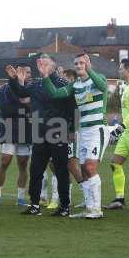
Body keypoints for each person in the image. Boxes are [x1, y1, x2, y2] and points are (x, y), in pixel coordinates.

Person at [43, 54, 110, 219]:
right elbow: (56, 94)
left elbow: (103, 87)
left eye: (83, 62)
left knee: (90, 167)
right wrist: (45, 76)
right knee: (84, 171)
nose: (79, 65)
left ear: (88, 63)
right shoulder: (75, 85)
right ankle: (89, 208)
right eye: (77, 63)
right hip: (84, 132)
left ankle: (96, 210)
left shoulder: (98, 78)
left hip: (97, 129)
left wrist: (89, 69)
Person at [7, 54, 72, 217]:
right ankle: (34, 205)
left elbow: (72, 108)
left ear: (54, 66)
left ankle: (64, 206)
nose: (41, 64)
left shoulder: (63, 84)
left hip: (58, 132)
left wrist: (71, 130)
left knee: (61, 170)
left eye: (45, 62)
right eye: (40, 63)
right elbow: (21, 93)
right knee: (35, 170)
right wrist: (14, 80)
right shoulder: (36, 84)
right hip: (39, 133)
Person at [0, 65, 32, 207]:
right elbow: (6, 109)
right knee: (5, 161)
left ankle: (20, 197)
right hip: (8, 127)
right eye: (25, 72)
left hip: (25, 128)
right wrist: (24, 106)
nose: (28, 75)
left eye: (29, 73)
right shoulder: (4, 89)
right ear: (17, 73)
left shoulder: (31, 88)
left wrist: (26, 107)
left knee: (23, 163)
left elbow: (33, 107)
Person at [105, 59, 129, 210]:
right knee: (115, 163)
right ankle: (119, 199)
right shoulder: (126, 87)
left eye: (121, 68)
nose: (119, 71)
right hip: (126, 134)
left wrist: (122, 126)